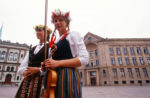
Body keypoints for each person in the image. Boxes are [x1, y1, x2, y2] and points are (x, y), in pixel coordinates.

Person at [43, 9, 89, 98]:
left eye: (61, 20)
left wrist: (58, 63)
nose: (57, 23)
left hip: (67, 76)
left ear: (67, 23)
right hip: (53, 78)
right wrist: (46, 65)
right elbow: (53, 61)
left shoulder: (73, 35)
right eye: (55, 21)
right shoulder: (55, 41)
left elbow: (85, 58)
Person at [15, 24, 52, 98]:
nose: (37, 32)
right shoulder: (31, 49)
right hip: (28, 81)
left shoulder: (50, 47)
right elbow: (21, 68)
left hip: (42, 81)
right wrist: (25, 72)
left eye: (40, 30)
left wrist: (38, 70)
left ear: (47, 33)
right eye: (37, 31)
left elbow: (51, 66)